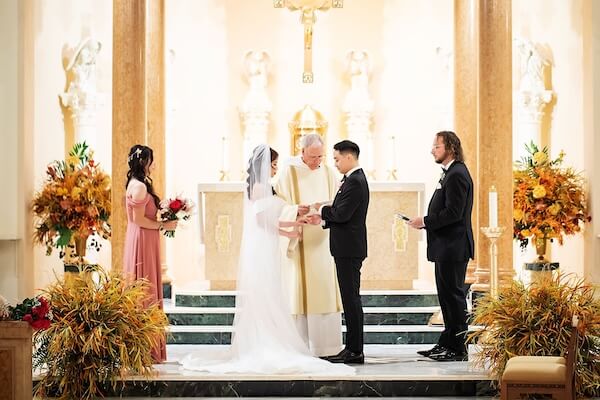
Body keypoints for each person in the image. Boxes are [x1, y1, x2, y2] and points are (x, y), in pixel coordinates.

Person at [181, 145, 353, 375]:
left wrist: (292, 225)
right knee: (266, 295)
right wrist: (289, 230)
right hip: (263, 248)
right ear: (263, 166)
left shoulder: (263, 185)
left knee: (269, 295)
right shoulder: (261, 187)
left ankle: (265, 339)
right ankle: (264, 343)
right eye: (272, 165)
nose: (275, 169)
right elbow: (262, 221)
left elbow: (269, 220)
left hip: (265, 246)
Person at [273, 133, 344, 357]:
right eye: (313, 156)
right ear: (301, 152)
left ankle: (326, 346)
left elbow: (338, 201)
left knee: (323, 287)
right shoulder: (288, 172)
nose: (317, 161)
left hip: (323, 240)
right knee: (299, 289)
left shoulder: (328, 172)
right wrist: (296, 210)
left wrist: (323, 212)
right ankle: (301, 346)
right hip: (300, 240)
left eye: (320, 156)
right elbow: (276, 204)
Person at [407, 131, 474, 362]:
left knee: (453, 297)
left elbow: (454, 213)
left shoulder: (457, 174)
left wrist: (425, 221)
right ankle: (447, 342)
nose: (433, 150)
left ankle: (458, 348)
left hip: (454, 247)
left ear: (451, 148)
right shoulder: (449, 173)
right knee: (445, 297)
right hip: (446, 246)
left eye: (437, 146)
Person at [308, 140, 370, 365]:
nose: (334, 163)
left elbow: (342, 214)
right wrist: (323, 217)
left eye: (336, 159)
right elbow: (341, 213)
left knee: (351, 299)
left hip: (349, 248)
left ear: (349, 157)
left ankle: (355, 350)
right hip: (347, 247)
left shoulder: (355, 181)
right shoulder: (351, 180)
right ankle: (351, 348)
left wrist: (320, 209)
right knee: (349, 298)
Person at [123, 144, 177, 363]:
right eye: (151, 161)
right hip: (142, 240)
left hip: (141, 238)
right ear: (144, 162)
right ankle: (145, 349)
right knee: (145, 288)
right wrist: (164, 225)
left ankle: (141, 347)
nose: (153, 165)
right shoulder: (139, 187)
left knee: (144, 287)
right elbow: (138, 219)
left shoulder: (136, 184)